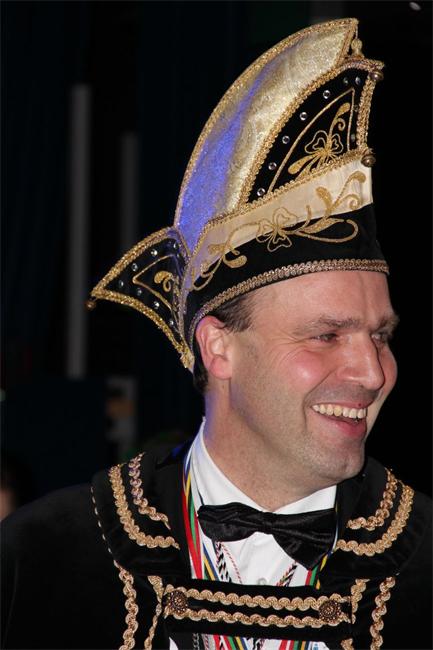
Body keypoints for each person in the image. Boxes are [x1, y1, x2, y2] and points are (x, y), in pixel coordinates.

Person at [1, 18, 431, 650]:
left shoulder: (424, 568)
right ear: (218, 346)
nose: (372, 372)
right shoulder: (45, 559)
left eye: (381, 336)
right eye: (326, 336)